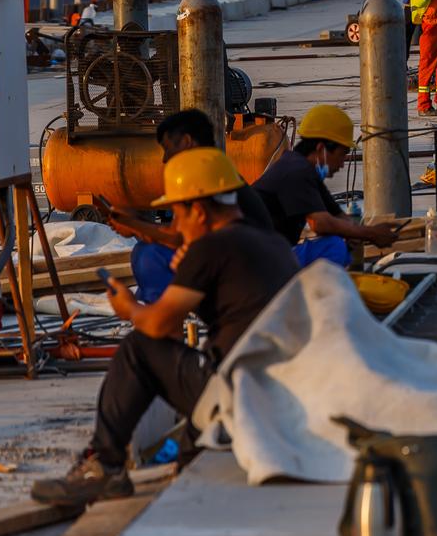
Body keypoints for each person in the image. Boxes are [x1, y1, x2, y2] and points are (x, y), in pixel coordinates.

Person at [31, 148, 299, 506]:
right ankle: (193, 447)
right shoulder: (271, 243)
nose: (176, 227)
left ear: (200, 211)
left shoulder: (212, 248)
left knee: (138, 349)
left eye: (177, 215)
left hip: (237, 392)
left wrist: (128, 307)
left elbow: (159, 328)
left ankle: (104, 467)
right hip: (276, 392)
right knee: (189, 455)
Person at [104, 109, 276, 303]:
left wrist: (133, 224)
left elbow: (178, 239)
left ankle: (163, 315)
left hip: (243, 270)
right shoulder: (217, 172)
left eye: (167, 149)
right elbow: (177, 233)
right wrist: (134, 223)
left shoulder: (205, 178)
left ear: (186, 142)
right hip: (244, 263)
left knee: (149, 255)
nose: (165, 159)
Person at [253, 105, 401, 267]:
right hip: (259, 260)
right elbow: (321, 223)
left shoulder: (302, 169)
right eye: (342, 154)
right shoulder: (296, 171)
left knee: (336, 244)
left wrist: (356, 233)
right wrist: (370, 234)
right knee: (333, 248)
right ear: (322, 149)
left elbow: (338, 216)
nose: (343, 164)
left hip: (268, 252)